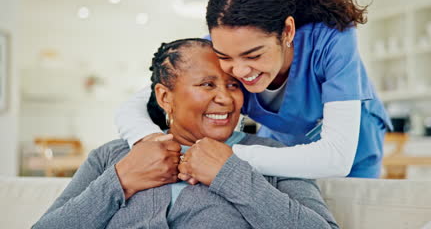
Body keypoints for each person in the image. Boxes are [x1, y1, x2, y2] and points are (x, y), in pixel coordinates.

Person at [115, 0, 392, 179]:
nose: (239, 71)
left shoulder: (332, 40)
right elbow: (139, 102)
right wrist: (147, 139)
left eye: (254, 55)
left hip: (353, 150)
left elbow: (336, 158)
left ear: (287, 31)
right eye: (225, 57)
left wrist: (226, 156)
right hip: (277, 145)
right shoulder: (220, 45)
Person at [33, 39, 339, 229]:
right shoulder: (112, 157)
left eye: (233, 85)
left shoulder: (274, 156)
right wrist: (120, 180)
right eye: (207, 84)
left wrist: (230, 174)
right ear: (166, 97)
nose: (226, 98)